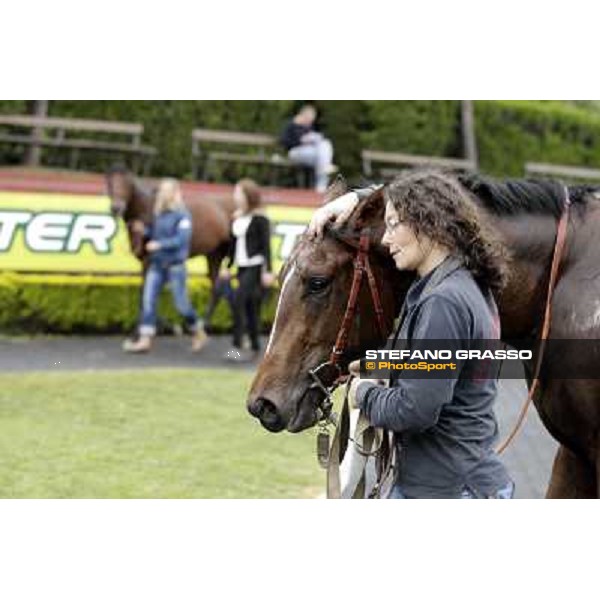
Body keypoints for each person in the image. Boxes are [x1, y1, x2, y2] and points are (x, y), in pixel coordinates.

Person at [308, 171, 515, 499]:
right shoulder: (463, 284)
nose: (386, 240)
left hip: (446, 492)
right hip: (458, 484)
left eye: (393, 225)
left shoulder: (443, 301)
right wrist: (376, 364)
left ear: (428, 222)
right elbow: (440, 367)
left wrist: (362, 393)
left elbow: (414, 409)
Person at [123, 178, 207, 353]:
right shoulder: (158, 214)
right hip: (157, 265)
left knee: (181, 304)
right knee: (148, 302)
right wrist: (143, 231)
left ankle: (197, 331)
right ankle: (145, 339)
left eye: (165, 191)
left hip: (175, 266)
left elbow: (182, 239)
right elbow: (154, 233)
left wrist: (160, 244)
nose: (161, 194)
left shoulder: (183, 215)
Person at [222, 179, 275, 362]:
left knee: (238, 301)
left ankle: (237, 347)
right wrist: (228, 266)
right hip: (242, 267)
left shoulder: (261, 219)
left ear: (247, 196)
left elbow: (266, 247)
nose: (235, 196)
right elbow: (233, 246)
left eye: (238, 193)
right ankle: (254, 346)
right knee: (250, 307)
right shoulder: (237, 217)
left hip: (255, 266)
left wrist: (268, 271)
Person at [280, 104, 336, 193]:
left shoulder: (308, 126)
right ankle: (322, 183)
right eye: (309, 118)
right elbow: (283, 142)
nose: (310, 121)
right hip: (294, 153)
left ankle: (321, 185)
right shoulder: (291, 124)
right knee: (323, 157)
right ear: (303, 115)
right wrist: (300, 141)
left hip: (309, 154)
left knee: (325, 144)